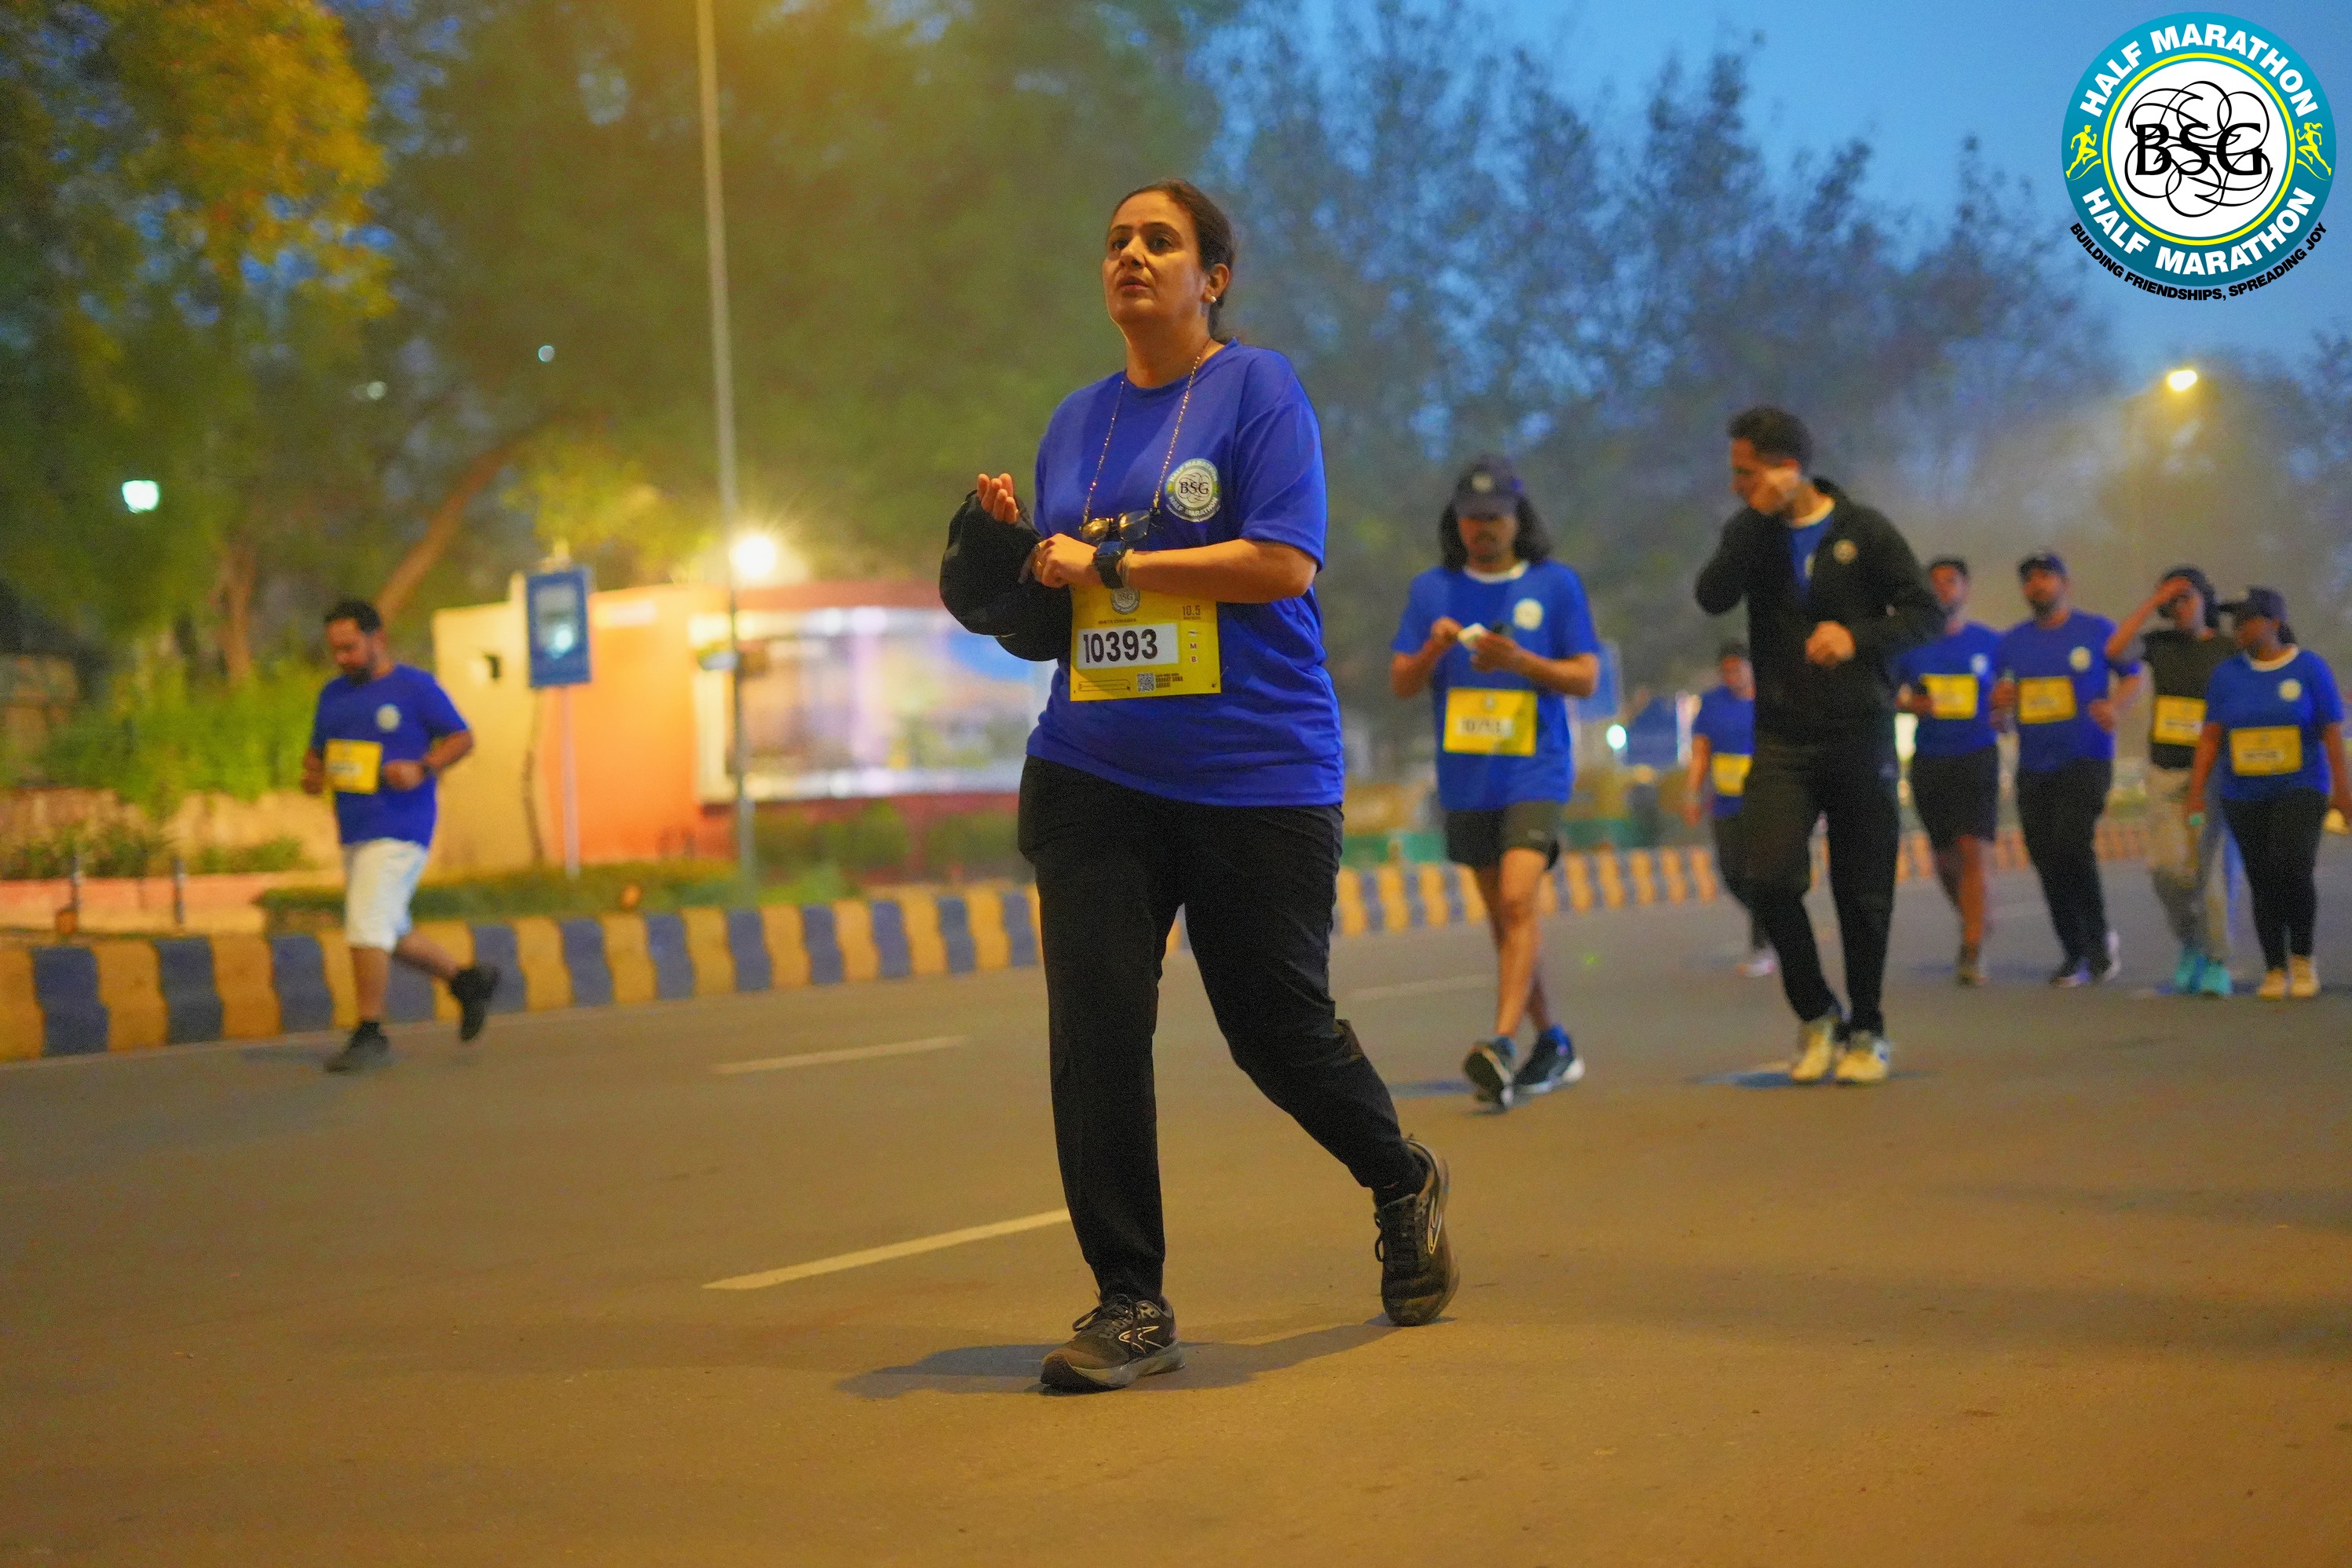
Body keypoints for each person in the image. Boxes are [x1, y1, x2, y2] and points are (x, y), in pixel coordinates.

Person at [971, 179, 1454, 1393]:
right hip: (1092, 769)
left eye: (1160, 240)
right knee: (1094, 1032)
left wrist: (1111, 560)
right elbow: (1056, 611)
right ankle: (1128, 1302)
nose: (1130, 255)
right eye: (1115, 240)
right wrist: (1011, 555)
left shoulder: (1257, 391)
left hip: (1254, 771)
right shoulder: (1074, 421)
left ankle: (1398, 1175)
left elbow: (1283, 564)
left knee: (1273, 1031)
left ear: (1212, 278)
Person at [1694, 408, 1940, 1085]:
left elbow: (1924, 612)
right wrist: (1754, 517)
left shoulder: (1864, 530)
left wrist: (1856, 638)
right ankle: (1816, 1012)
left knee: (1862, 892)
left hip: (1859, 731)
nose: (1736, 484)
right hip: (1781, 737)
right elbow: (1711, 595)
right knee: (1765, 874)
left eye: (1745, 472)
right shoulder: (1751, 533)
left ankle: (1867, 1027)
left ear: (1786, 466)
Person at [1391, 454, 1602, 1110]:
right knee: (1505, 918)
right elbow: (1401, 683)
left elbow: (1585, 678)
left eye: (1495, 516)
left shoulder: (1554, 585)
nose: (1483, 527)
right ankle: (1553, 1039)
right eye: (1471, 517)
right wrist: (1434, 647)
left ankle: (1502, 1042)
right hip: (1466, 776)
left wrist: (1521, 660)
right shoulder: (1432, 590)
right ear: (1455, 521)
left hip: (1535, 768)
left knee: (1516, 899)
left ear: (1518, 518)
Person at [300, 599, 500, 1073]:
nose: (343, 658)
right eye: (336, 650)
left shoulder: (415, 687)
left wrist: (423, 767)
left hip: (402, 825)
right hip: (355, 828)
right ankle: (466, 982)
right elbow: (316, 757)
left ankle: (370, 1031)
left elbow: (462, 738)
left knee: (367, 921)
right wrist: (312, 776)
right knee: (388, 929)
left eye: (351, 648)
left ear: (378, 639)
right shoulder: (332, 696)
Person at [2188, 587, 2351, 1000]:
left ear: (2274, 623)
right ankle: (2275, 967)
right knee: (2262, 878)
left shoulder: (2309, 668)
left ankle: (2303, 958)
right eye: (2235, 621)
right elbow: (2210, 738)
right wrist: (2196, 792)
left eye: (2247, 620)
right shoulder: (2226, 675)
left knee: (2292, 867)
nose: (2238, 628)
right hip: (2244, 793)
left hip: (2301, 788)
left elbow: (2332, 733)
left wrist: (2343, 790)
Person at [1992, 553, 2143, 986]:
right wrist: (1999, 711)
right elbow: (1999, 709)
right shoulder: (2012, 642)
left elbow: (2134, 675)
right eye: (2029, 579)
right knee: (2045, 856)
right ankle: (2072, 951)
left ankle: (2098, 944)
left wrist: (2115, 707)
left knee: (2071, 844)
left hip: (2086, 757)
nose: (2038, 585)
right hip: (2034, 764)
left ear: (2065, 584)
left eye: (2046, 576)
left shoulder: (2097, 631)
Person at [2107, 567, 2240, 996]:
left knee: (2211, 872)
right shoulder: (2158, 644)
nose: (2180, 606)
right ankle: (2191, 944)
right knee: (2167, 870)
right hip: (2166, 772)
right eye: (2173, 600)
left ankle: (2216, 961)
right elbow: (2115, 650)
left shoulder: (2228, 648)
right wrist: (2151, 602)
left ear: (2205, 599)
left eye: (2187, 597)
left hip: (2215, 774)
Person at [1893, 557, 2004, 985]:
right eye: (1934, 583)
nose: (1943, 589)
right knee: (1943, 860)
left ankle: (1972, 949)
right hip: (1930, 759)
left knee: (1973, 849)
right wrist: (1910, 704)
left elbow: (2012, 695)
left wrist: (2006, 712)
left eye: (1951, 581)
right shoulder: (1911, 645)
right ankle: (1973, 917)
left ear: (1965, 588)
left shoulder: (1991, 643)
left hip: (1977, 755)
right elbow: (1887, 693)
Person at [1684, 639, 1774, 978]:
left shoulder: (1771, 700)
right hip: (1725, 804)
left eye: (1737, 670)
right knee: (1733, 874)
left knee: (1759, 873)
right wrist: (1692, 794)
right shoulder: (1711, 705)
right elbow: (1701, 753)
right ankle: (1777, 920)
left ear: (1752, 668)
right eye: (1726, 672)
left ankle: (1761, 946)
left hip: (1764, 802)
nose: (1732, 677)